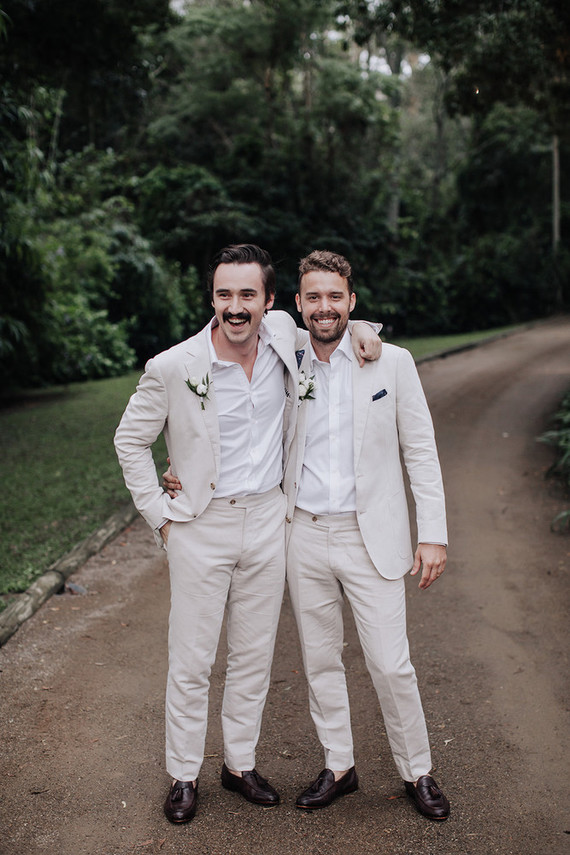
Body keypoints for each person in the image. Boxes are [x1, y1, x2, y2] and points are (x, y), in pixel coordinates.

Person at [114, 244, 380, 824]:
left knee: (253, 655)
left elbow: (331, 317)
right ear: (212, 299)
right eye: (224, 295)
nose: (236, 308)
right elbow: (129, 442)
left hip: (267, 522)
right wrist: (160, 514)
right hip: (200, 527)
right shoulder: (174, 366)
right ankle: (183, 773)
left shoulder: (285, 336)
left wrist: (364, 330)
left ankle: (238, 765)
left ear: (267, 301)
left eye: (247, 295)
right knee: (191, 659)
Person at [282, 250, 450, 820]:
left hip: (369, 535)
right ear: (298, 303)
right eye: (313, 296)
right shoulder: (285, 355)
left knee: (390, 663)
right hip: (303, 533)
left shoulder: (392, 362)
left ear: (352, 303)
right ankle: (339, 766)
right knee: (320, 658)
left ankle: (417, 771)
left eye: (335, 297)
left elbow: (420, 452)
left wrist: (433, 534)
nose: (324, 307)